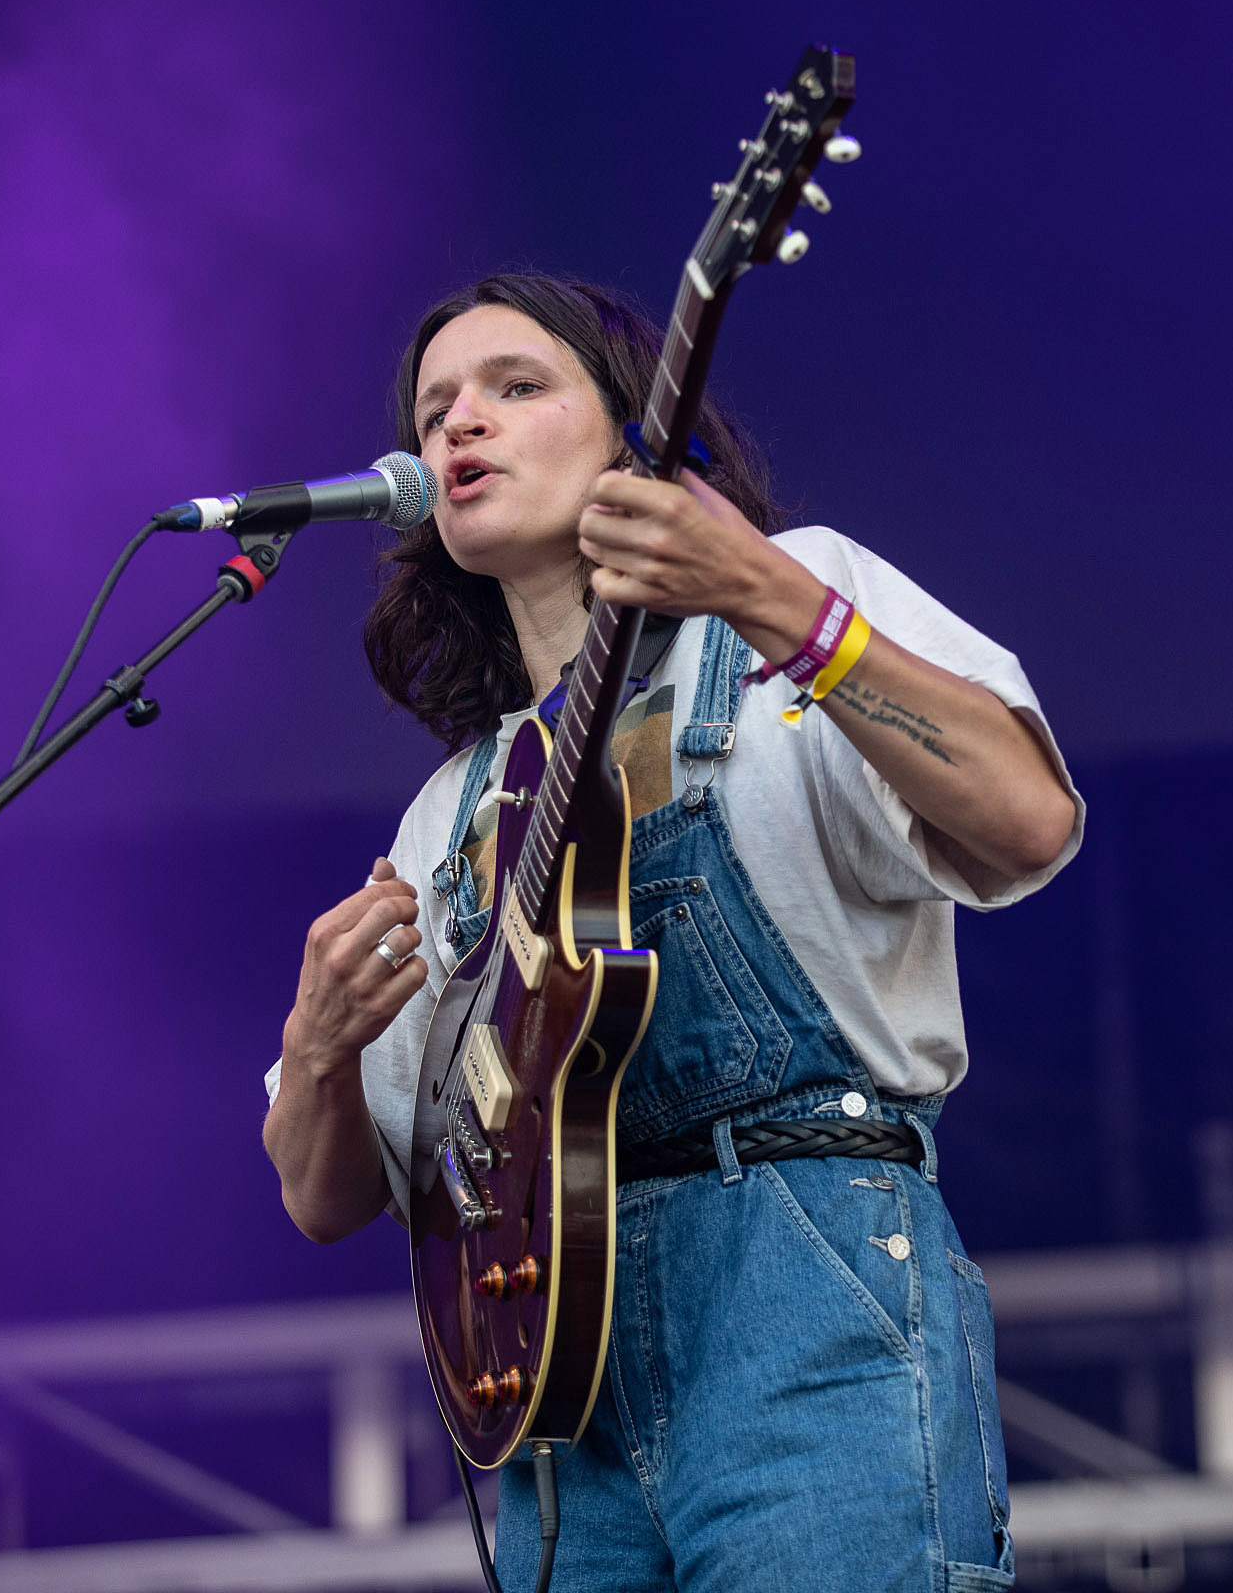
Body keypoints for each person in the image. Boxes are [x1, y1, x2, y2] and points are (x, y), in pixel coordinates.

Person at [262, 273, 1080, 1592]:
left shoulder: (797, 596)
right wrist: (317, 1050)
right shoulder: (446, 815)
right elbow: (324, 1196)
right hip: (552, 1403)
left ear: (637, 438)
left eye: (516, 388)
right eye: (436, 409)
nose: (460, 424)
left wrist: (773, 598)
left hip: (804, 1289)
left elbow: (1028, 819)